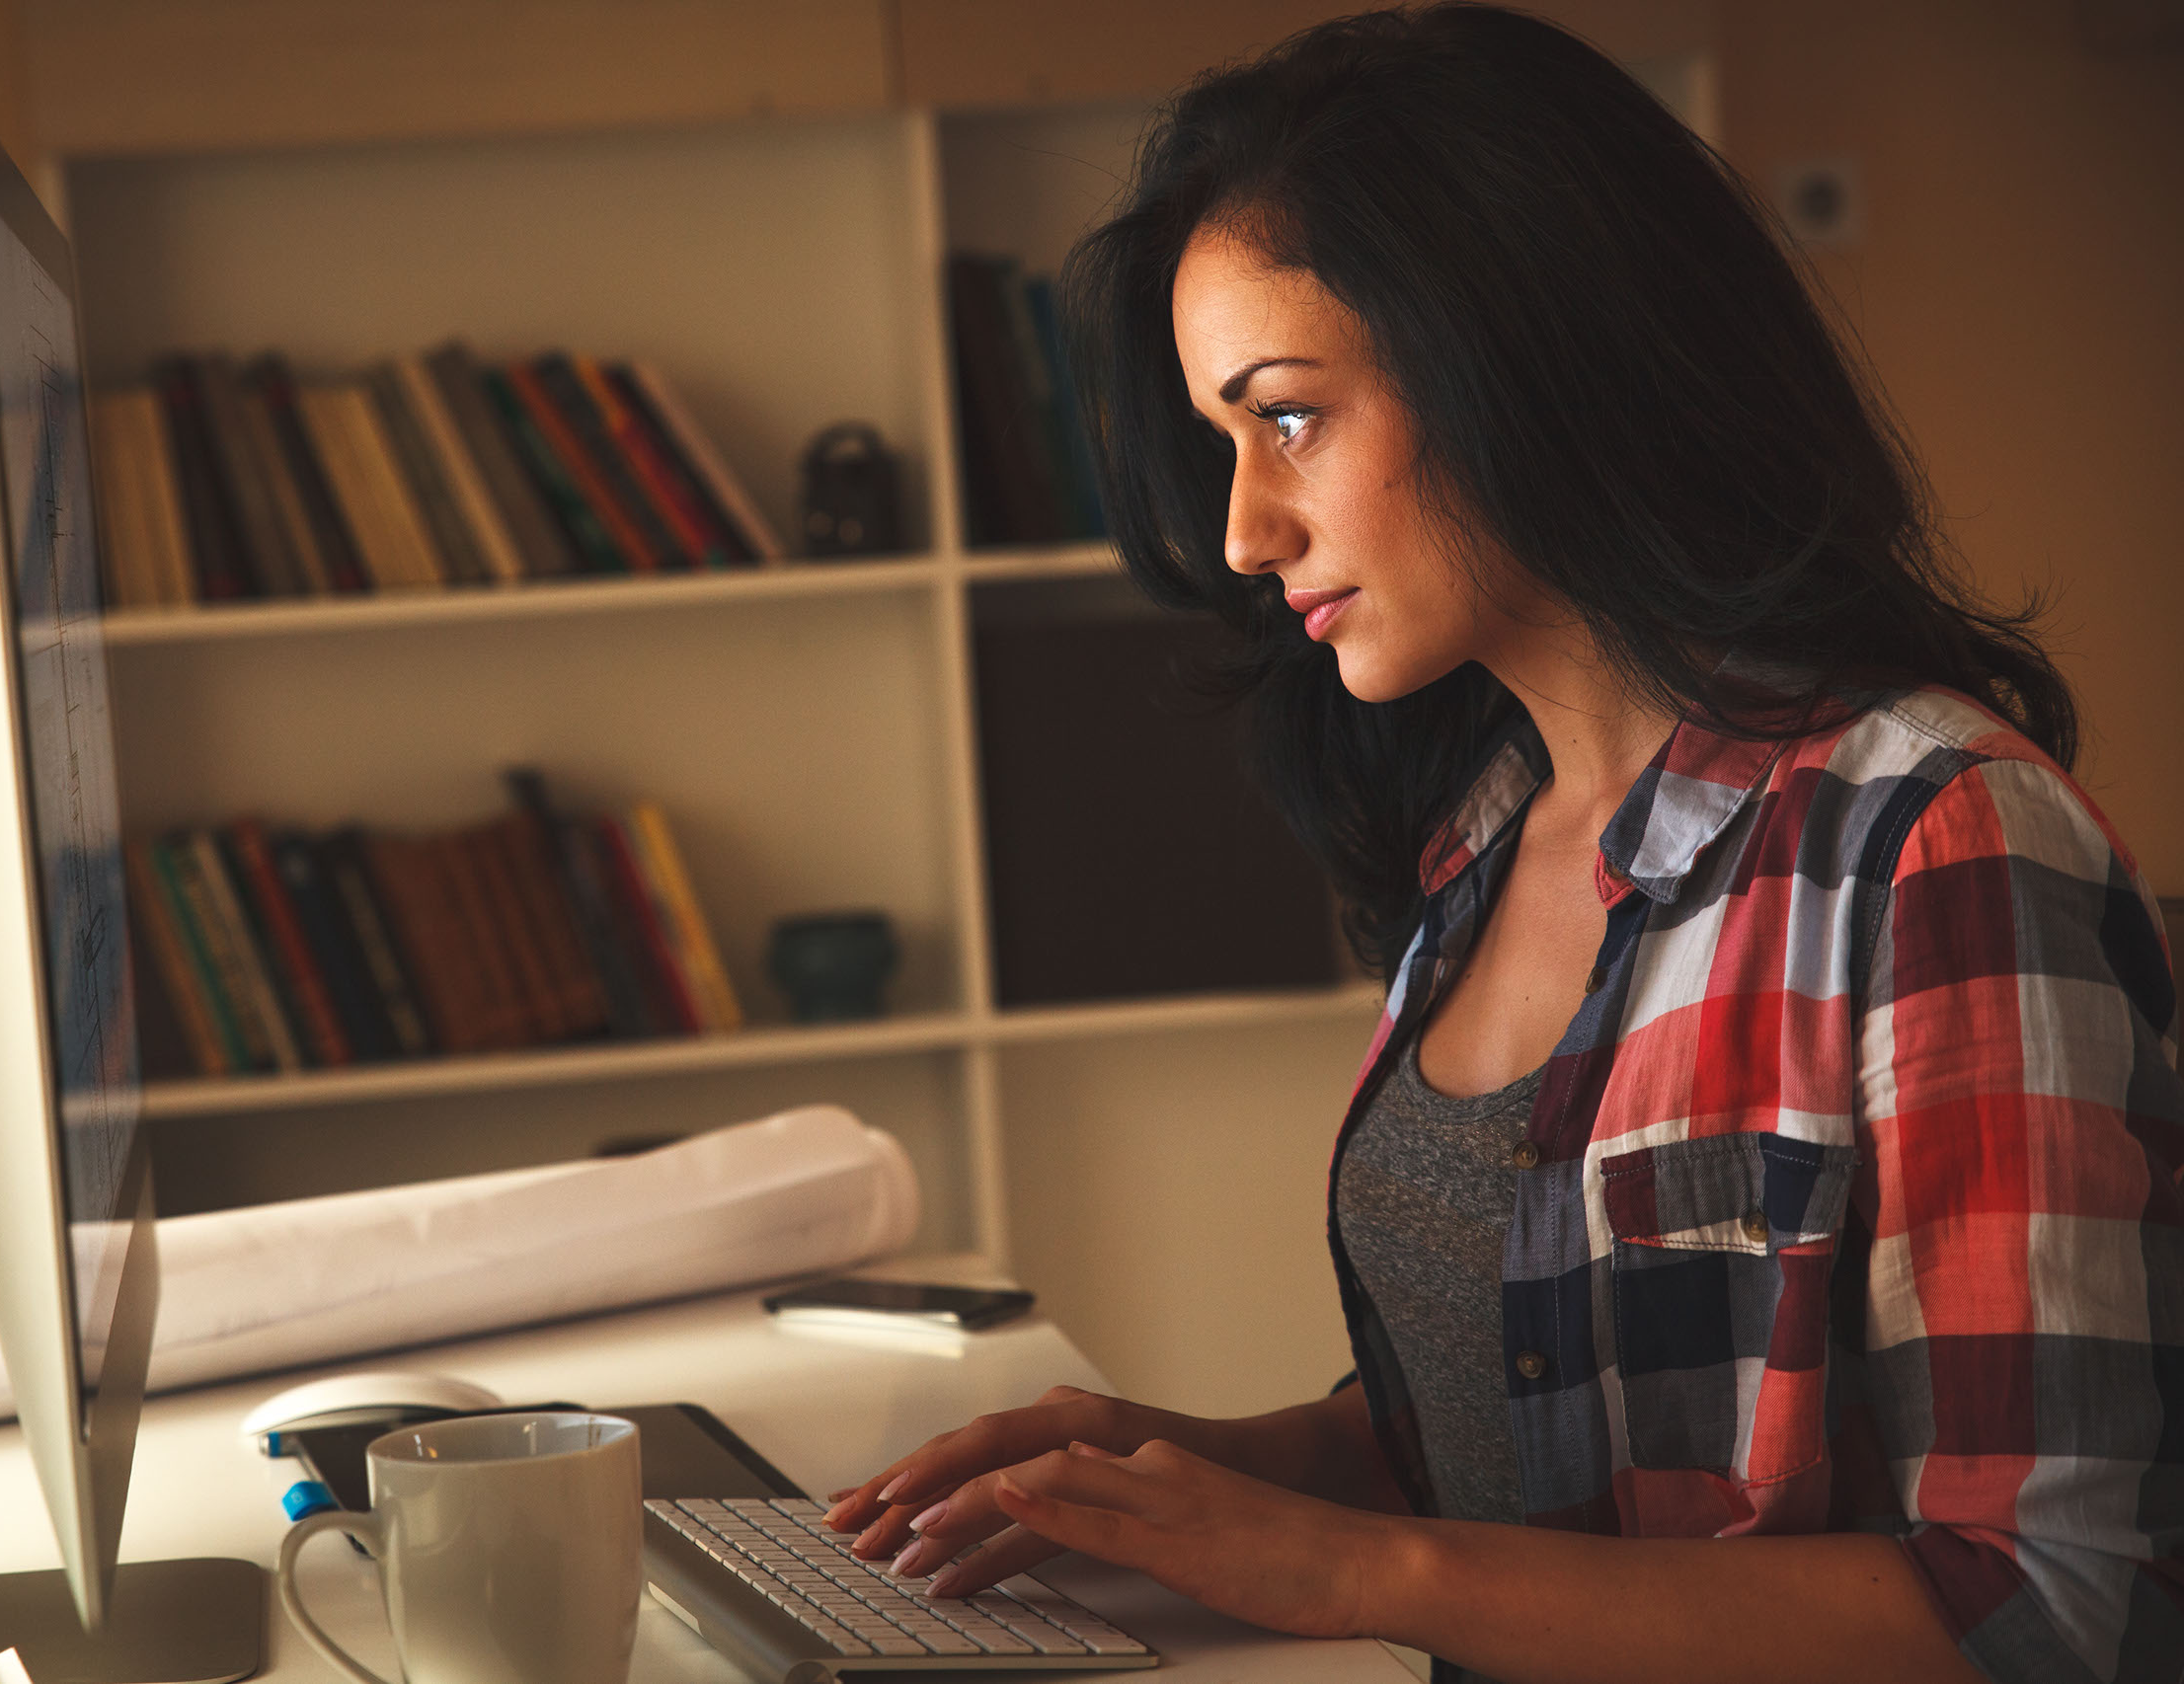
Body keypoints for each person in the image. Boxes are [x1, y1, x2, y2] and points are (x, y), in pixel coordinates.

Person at [820, 7, 2184, 1681]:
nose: (1246, 528)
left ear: (1521, 355)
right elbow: (1540, 1424)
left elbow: (2045, 1601)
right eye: (1220, 442)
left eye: (1290, 416)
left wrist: (1359, 1569)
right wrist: (1183, 1464)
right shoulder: (1475, 832)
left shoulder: (1936, 836)